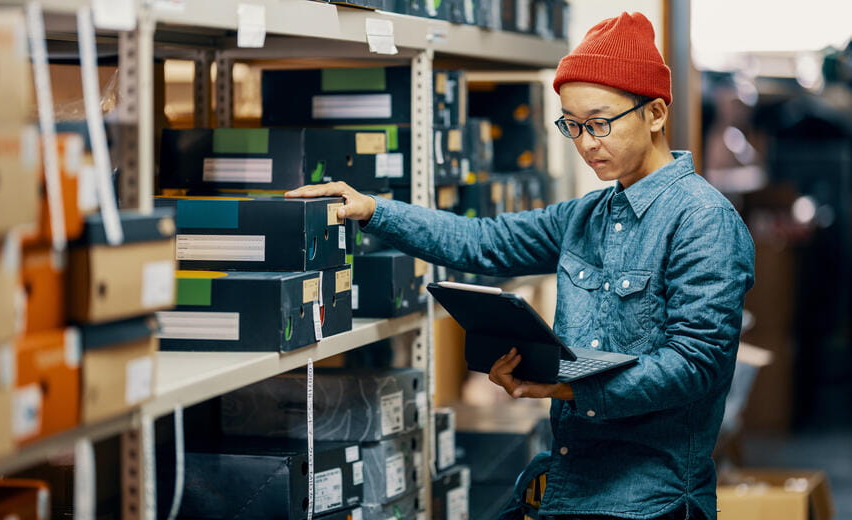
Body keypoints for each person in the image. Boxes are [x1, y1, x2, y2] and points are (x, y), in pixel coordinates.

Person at [287, 12, 754, 520]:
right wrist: (374, 209)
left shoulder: (704, 221)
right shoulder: (586, 216)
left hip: (650, 504)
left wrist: (570, 386)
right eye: (571, 125)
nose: (585, 143)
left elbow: (696, 364)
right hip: (568, 488)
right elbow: (482, 241)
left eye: (599, 123)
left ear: (657, 113)